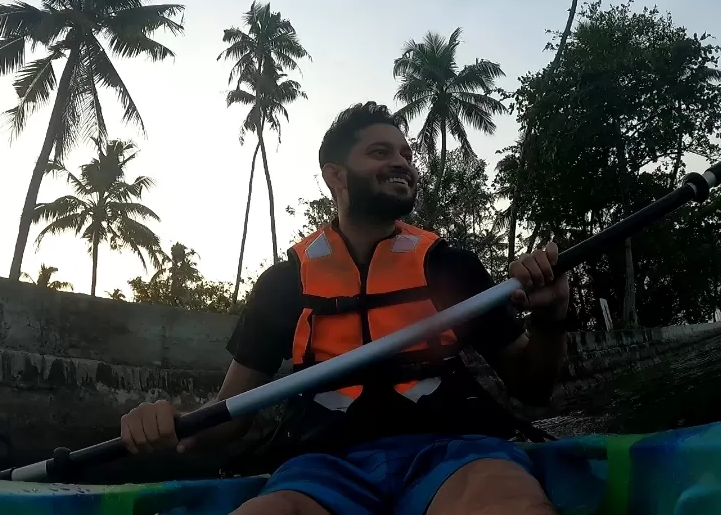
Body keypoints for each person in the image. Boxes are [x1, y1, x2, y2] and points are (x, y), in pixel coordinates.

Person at [121, 101, 569, 515]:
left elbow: (532, 386)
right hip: (323, 469)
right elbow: (231, 415)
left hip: (455, 453)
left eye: (406, 154)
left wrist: (550, 319)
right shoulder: (283, 285)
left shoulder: (451, 266)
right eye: (380, 152)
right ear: (335, 176)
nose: (402, 163)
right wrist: (175, 424)